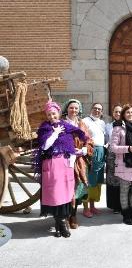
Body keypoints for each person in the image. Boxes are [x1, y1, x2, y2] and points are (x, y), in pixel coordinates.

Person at [35, 101, 87, 238]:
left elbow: (79, 135)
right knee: (55, 195)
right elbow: (45, 146)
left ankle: (58, 226)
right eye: (49, 114)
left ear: (58, 113)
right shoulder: (44, 128)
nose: (52, 116)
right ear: (46, 116)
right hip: (52, 164)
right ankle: (62, 225)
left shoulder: (65, 125)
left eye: (54, 113)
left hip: (65, 164)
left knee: (65, 195)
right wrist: (55, 133)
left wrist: (79, 152)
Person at [61, 99, 94, 229]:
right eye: (71, 108)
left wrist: (84, 149)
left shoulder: (82, 123)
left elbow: (89, 140)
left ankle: (73, 215)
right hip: (65, 160)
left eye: (76, 108)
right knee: (66, 189)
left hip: (80, 160)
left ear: (79, 110)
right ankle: (65, 216)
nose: (73, 110)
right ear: (67, 109)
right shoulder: (61, 123)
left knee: (78, 189)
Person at [82, 103, 106, 218]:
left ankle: (92, 205)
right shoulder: (85, 121)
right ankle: (85, 207)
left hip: (101, 152)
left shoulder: (102, 123)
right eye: (95, 108)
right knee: (89, 179)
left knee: (96, 180)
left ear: (102, 112)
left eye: (99, 109)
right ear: (91, 109)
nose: (97, 110)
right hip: (91, 151)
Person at [105, 104, 123, 214]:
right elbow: (105, 140)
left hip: (123, 155)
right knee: (112, 180)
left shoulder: (127, 125)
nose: (118, 114)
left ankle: (124, 204)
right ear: (113, 113)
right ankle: (115, 205)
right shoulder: (108, 126)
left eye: (120, 112)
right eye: (116, 111)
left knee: (123, 180)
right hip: (111, 156)